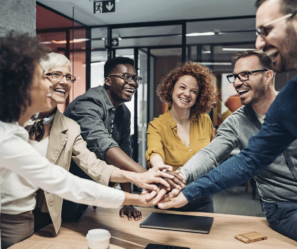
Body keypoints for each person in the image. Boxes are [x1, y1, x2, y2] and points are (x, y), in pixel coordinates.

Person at [0, 32, 170, 249]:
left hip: (28, 215)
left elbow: (88, 170)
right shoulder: (7, 134)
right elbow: (69, 179)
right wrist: (140, 186)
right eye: (46, 77)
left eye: (69, 77)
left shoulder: (60, 128)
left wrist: (135, 193)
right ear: (23, 85)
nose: (61, 83)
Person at [158, 0, 297, 242]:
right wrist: (183, 182)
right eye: (235, 76)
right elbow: (231, 157)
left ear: (268, 76)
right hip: (284, 207)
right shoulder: (242, 119)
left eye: (265, 30)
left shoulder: (289, 101)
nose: (237, 82)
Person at [64, 57, 183, 221]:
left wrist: (127, 202)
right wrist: (148, 175)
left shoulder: (124, 112)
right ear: (107, 80)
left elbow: (125, 152)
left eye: (135, 78)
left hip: (90, 189)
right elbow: (103, 143)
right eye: (126, 77)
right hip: (66, 187)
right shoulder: (88, 103)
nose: (133, 83)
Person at [146, 61, 215, 212]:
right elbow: (154, 152)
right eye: (182, 87)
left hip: (201, 197)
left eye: (194, 91)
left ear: (199, 96)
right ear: (171, 89)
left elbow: (212, 155)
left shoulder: (205, 120)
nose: (187, 94)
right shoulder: (157, 125)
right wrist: (159, 168)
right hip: (169, 197)